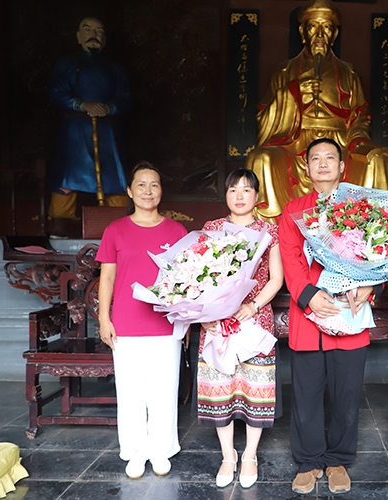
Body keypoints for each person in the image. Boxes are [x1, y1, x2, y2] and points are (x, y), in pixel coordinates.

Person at [279, 138, 375, 495]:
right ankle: (308, 461)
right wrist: (309, 296)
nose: (322, 164)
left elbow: (376, 251)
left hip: (350, 313)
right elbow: (290, 258)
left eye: (329, 158)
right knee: (305, 395)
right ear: (306, 167)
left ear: (341, 166)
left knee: (347, 394)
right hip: (308, 317)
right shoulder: (293, 211)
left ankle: (338, 459)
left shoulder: (362, 208)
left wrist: (370, 286)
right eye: (315, 158)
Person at [246, 0, 388, 222]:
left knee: (377, 159)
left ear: (335, 34)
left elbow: (360, 117)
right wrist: (292, 93)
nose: (320, 34)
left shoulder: (349, 73)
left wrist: (359, 141)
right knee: (261, 157)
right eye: (313, 26)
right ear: (302, 32)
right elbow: (264, 118)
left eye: (327, 27)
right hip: (293, 143)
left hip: (339, 144)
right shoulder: (284, 71)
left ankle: (374, 231)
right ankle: (273, 230)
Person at [95, 161, 187, 479]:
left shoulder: (177, 232)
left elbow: (186, 281)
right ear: (130, 191)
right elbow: (107, 279)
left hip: (165, 324)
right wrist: (104, 319)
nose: (148, 191)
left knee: (164, 389)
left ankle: (161, 449)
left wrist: (185, 320)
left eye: (155, 184)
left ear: (161, 191)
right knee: (131, 391)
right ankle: (135, 452)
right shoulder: (115, 230)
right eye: (142, 185)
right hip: (125, 325)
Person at [195, 169, 284, 489]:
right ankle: (227, 455)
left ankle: (249, 455)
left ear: (256, 197)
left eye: (246, 190)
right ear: (226, 195)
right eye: (233, 190)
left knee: (254, 389)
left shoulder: (268, 230)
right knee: (220, 388)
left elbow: (276, 278)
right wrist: (206, 310)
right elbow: (198, 274)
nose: (240, 195)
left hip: (253, 321)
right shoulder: (213, 229)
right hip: (217, 323)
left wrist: (252, 306)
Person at [48, 16, 133, 236]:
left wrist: (109, 108)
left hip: (108, 132)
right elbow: (56, 92)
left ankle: (119, 225)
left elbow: (126, 98)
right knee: (68, 177)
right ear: (78, 36)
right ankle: (60, 223)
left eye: (99, 31)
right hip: (76, 129)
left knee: (115, 178)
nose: (94, 35)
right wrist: (81, 104)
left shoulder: (114, 68)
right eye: (87, 30)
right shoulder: (67, 64)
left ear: (104, 39)